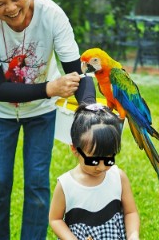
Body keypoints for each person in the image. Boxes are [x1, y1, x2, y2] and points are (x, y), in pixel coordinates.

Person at [0, 0, 96, 240]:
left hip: (41, 112)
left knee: (37, 183)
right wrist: (50, 89)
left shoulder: (51, 14)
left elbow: (77, 73)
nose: (11, 8)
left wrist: (91, 112)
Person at [49, 103, 140, 240]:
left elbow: (130, 212)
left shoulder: (118, 177)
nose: (101, 167)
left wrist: (133, 235)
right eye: (94, 161)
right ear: (74, 148)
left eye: (109, 159)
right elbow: (55, 219)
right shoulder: (66, 185)